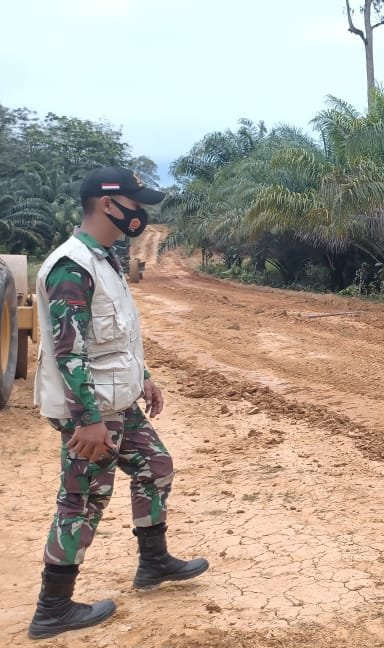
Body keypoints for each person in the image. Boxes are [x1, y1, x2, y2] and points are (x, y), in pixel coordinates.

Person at [27, 167, 209, 640]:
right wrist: (86, 421)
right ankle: (53, 609)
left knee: (156, 466)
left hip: (116, 400)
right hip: (90, 409)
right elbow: (70, 351)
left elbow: (114, 337)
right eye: (134, 201)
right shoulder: (72, 266)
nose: (140, 212)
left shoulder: (103, 258)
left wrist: (143, 378)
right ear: (109, 204)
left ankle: (154, 563)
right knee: (83, 500)